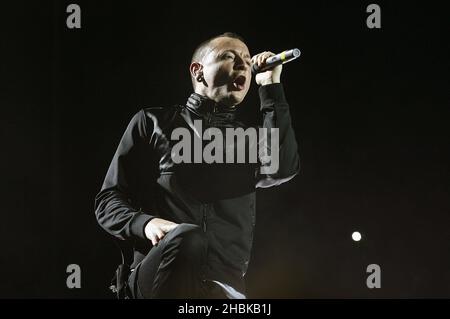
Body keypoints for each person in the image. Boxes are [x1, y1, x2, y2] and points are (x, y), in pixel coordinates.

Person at [94, 32, 300, 299]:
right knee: (188, 238)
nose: (243, 65)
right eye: (229, 56)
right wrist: (145, 224)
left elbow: (282, 168)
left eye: (248, 61)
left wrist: (270, 86)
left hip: (223, 287)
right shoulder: (153, 122)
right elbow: (108, 200)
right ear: (198, 70)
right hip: (157, 275)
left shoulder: (249, 140)